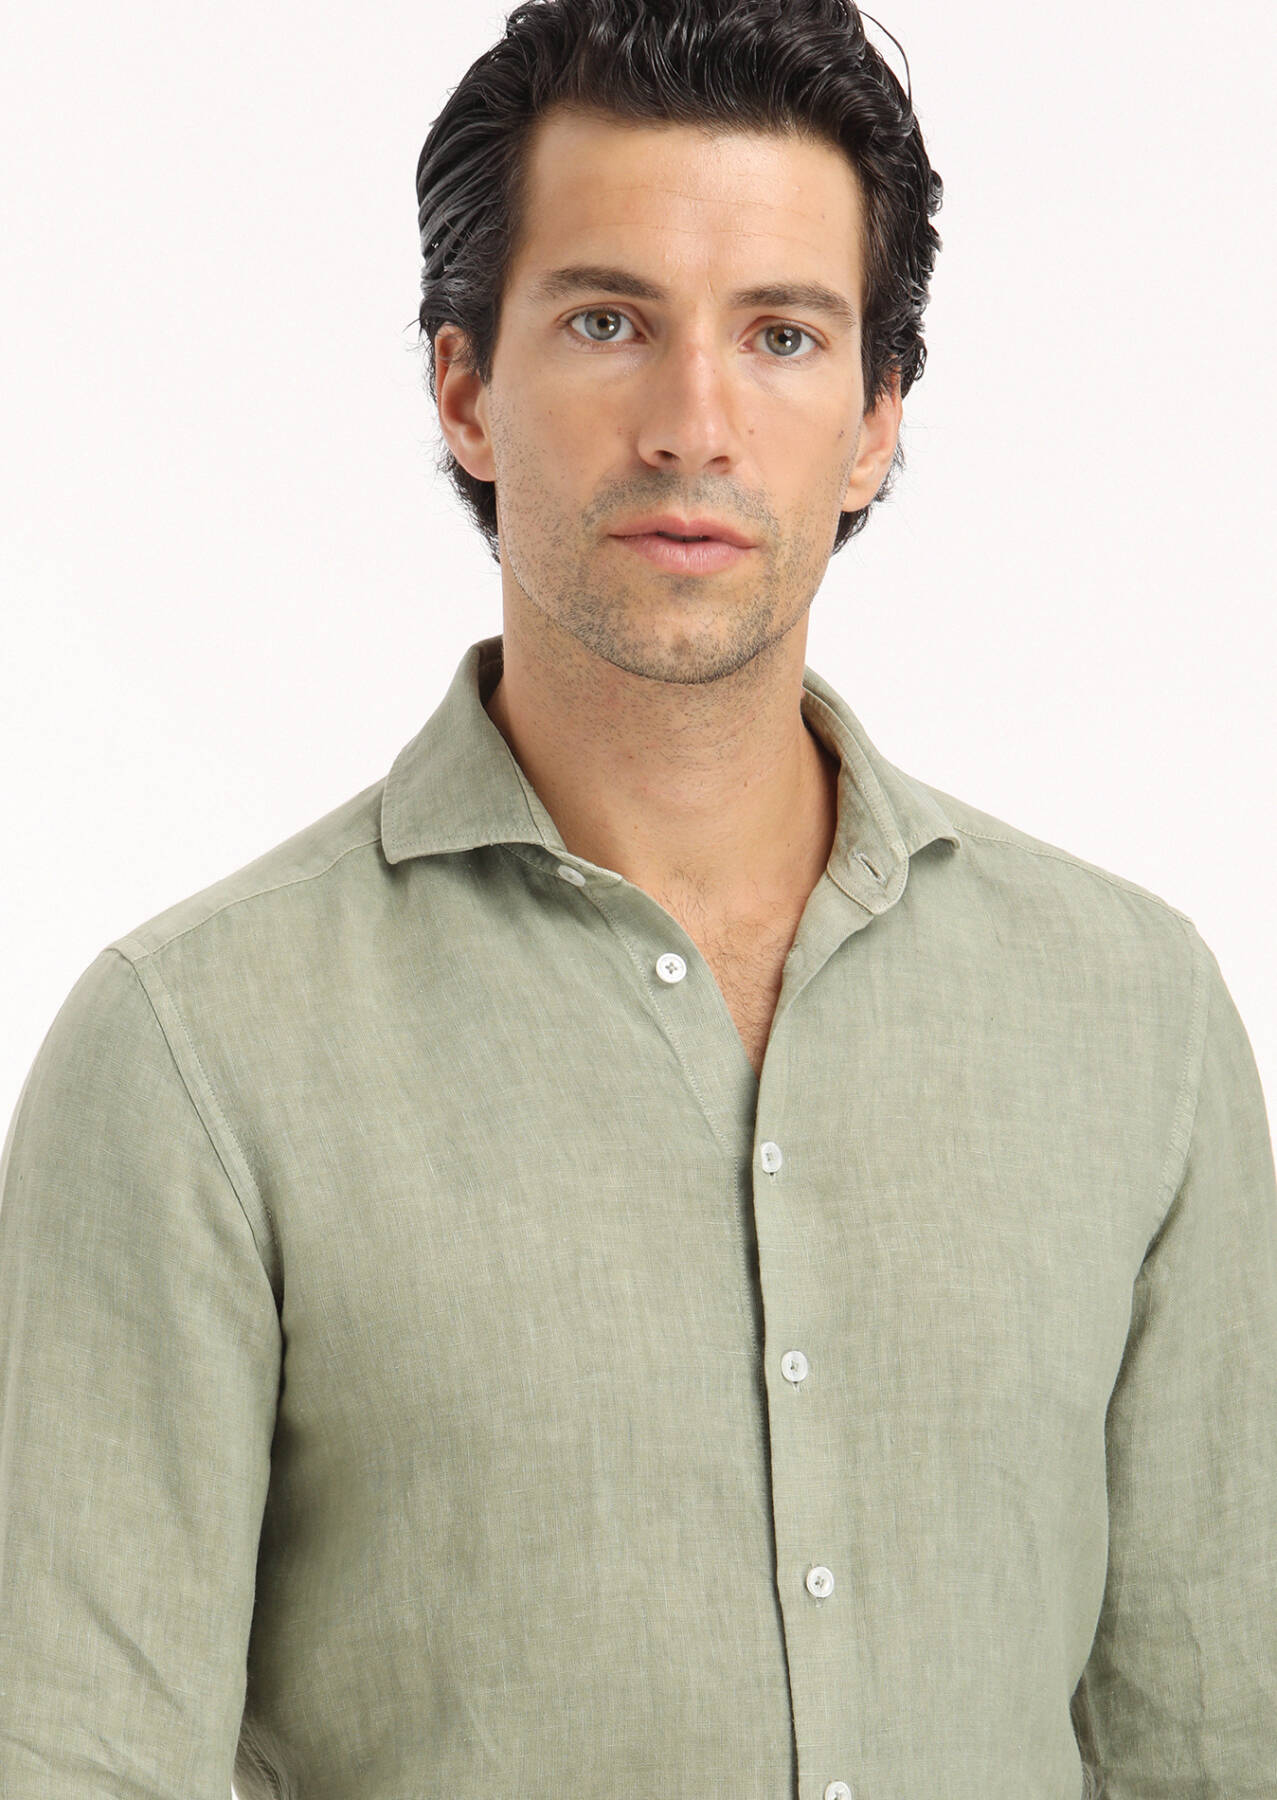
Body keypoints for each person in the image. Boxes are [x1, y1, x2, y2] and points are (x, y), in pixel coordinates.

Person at [1, 0, 1273, 1794]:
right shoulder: (194, 1053)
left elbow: (1213, 1742)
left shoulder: (1134, 1018)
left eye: (781, 336)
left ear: (873, 423)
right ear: (465, 389)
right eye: (607, 322)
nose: (694, 424)